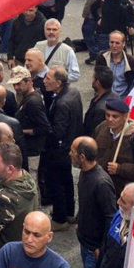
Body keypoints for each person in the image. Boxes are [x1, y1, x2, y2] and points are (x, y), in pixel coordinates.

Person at [70, 136, 116, 268]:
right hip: (84, 240)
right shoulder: (85, 172)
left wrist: (102, 248)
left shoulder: (101, 182)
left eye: (72, 151)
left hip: (94, 248)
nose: (70, 154)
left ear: (82, 157)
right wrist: (79, 220)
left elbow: (111, 218)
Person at [39, 65, 82, 230]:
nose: (44, 81)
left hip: (59, 151)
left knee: (56, 183)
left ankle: (59, 219)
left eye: (48, 79)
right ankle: (69, 213)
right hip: (69, 147)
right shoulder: (74, 92)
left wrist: (43, 128)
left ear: (58, 83)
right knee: (67, 180)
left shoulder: (62, 103)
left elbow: (58, 132)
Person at [92, 97, 134, 196]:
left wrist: (120, 169)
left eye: (115, 116)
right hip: (101, 187)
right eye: (107, 115)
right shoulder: (102, 128)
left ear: (125, 116)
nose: (110, 119)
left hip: (123, 192)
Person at [12, 67, 51, 159]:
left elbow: (45, 129)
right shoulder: (32, 94)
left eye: (18, 84)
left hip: (31, 152)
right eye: (14, 84)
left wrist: (21, 131)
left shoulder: (33, 102)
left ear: (29, 81)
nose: (16, 87)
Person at [94, 31, 134, 97]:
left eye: (117, 43)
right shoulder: (102, 58)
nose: (114, 46)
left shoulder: (133, 63)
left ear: (124, 44)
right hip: (105, 98)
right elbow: (96, 78)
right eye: (112, 42)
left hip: (123, 99)